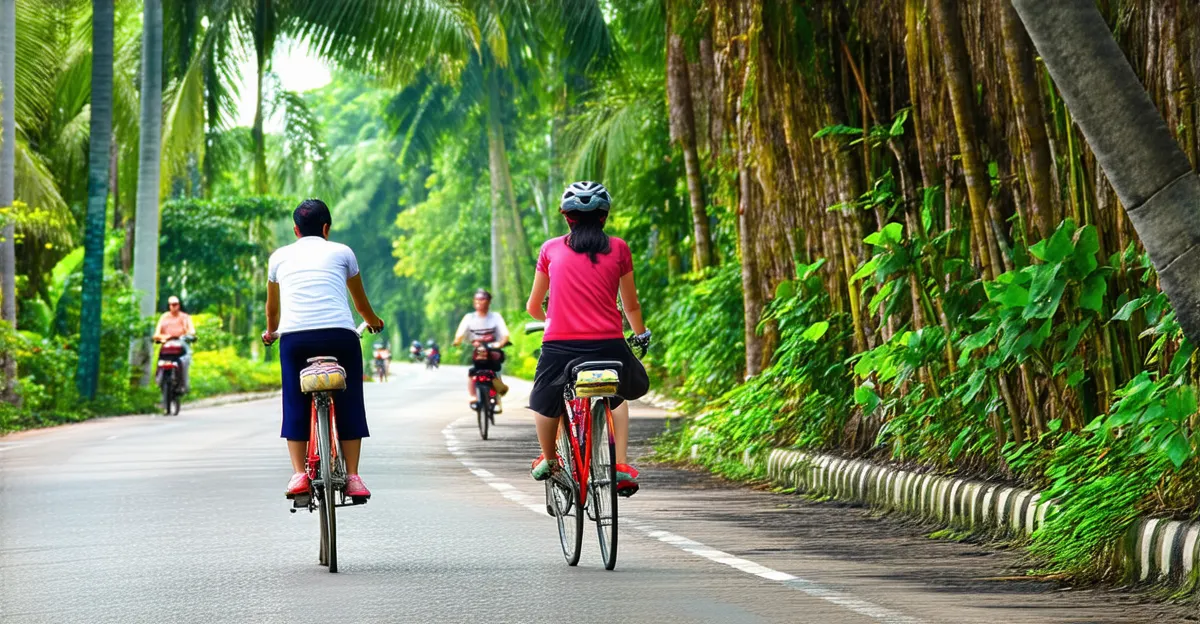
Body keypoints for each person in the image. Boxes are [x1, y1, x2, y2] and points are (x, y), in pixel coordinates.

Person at [525, 181, 651, 496]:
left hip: (560, 346)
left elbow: (532, 306)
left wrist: (549, 318)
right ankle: (620, 464)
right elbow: (631, 305)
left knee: (544, 399)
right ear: (603, 217)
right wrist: (640, 334)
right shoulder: (619, 248)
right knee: (617, 395)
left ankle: (550, 460)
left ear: (567, 217)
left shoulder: (550, 249)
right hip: (609, 343)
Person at [261, 198, 385, 500]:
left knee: (294, 399)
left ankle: (299, 475)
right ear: (326, 228)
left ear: (295, 230)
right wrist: (373, 321)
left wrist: (270, 332)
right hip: (339, 336)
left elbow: (272, 309)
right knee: (350, 399)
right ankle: (353, 476)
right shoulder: (343, 252)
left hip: (295, 340)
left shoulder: (279, 257)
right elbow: (359, 303)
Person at [453, 289, 510, 409]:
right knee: (472, 371)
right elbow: (460, 332)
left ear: (489, 302)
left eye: (482, 299)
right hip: (477, 348)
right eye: (477, 299)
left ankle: (497, 395)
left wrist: (500, 344)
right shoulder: (469, 317)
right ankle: (473, 395)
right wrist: (458, 341)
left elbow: (505, 334)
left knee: (495, 367)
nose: (479, 302)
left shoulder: (495, 317)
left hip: (493, 348)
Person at [152, 295, 196, 394]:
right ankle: (159, 381)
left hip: (181, 342)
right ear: (168, 306)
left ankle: (184, 384)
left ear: (179, 305)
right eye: (171, 305)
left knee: (185, 360)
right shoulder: (164, 317)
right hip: (167, 344)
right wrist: (163, 337)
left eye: (175, 304)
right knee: (161, 360)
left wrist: (187, 335)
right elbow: (156, 334)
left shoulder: (185, 317)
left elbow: (192, 331)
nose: (173, 307)